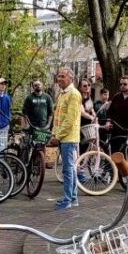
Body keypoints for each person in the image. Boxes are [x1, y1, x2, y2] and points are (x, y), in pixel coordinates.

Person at [51, 68, 81, 210]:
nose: (59, 79)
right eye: (58, 76)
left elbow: (70, 120)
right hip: (64, 138)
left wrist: (58, 136)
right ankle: (72, 198)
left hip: (68, 138)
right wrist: (54, 134)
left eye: (63, 76)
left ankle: (68, 200)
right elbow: (57, 117)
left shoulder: (74, 94)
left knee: (68, 169)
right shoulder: (63, 94)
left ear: (71, 78)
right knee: (70, 169)